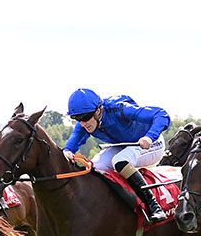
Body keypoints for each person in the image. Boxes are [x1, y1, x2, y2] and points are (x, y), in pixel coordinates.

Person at [63, 88, 170, 223]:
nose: (83, 123)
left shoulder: (119, 109)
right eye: (77, 119)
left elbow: (161, 114)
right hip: (124, 146)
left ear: (98, 111)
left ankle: (154, 206)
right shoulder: (85, 122)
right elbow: (74, 141)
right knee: (95, 167)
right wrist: (67, 151)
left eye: (85, 117)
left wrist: (149, 137)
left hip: (152, 144)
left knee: (120, 161)